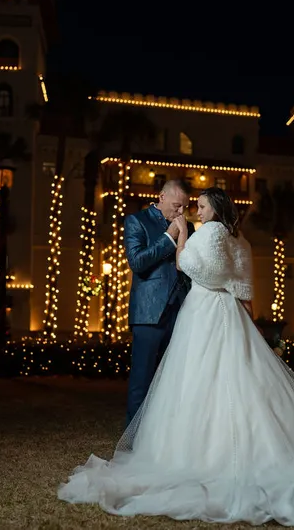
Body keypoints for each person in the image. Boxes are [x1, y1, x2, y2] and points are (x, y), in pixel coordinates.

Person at [58, 187, 294, 527]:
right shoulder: (239, 238)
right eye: (192, 205)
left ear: (215, 209)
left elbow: (202, 271)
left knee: (201, 379)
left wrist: (182, 240)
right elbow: (243, 283)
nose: (194, 210)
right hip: (227, 312)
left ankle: (199, 455)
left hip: (206, 312)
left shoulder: (211, 232)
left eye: (200, 205)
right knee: (239, 376)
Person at [121, 179, 194, 426]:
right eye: (177, 206)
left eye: (185, 207)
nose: (181, 213)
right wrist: (169, 237)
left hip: (182, 312)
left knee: (173, 381)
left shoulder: (189, 226)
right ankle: (133, 440)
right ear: (161, 197)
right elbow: (137, 262)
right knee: (142, 379)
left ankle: (164, 438)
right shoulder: (136, 221)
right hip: (149, 313)